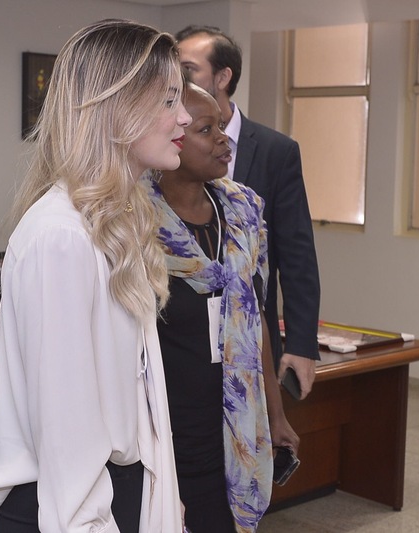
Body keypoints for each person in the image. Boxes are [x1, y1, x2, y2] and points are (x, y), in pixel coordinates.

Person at [0, 19, 192, 532]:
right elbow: (68, 434)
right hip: (71, 511)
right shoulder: (62, 237)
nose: (185, 116)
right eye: (169, 101)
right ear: (117, 108)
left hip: (114, 494)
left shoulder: (110, 224)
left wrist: (161, 499)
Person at [147, 82, 299, 533]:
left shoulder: (244, 210)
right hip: (165, 427)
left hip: (236, 420)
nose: (223, 139)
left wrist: (275, 414)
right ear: (171, 136)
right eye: (206, 129)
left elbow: (256, 318)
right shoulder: (134, 224)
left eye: (222, 126)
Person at [175, 25, 321, 400]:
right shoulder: (167, 142)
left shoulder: (276, 151)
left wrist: (301, 343)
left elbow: (297, 253)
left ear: (223, 77)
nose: (176, 76)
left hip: (253, 337)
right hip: (183, 337)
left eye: (188, 69)